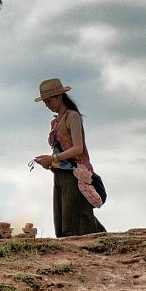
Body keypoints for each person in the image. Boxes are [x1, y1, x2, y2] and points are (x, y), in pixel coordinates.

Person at [32, 78, 105, 237]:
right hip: (60, 174)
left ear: (59, 96)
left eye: (49, 100)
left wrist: (52, 159)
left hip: (75, 173)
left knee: (75, 218)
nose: (47, 104)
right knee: (62, 218)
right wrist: (49, 162)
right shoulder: (56, 122)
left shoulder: (72, 117)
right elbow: (60, 150)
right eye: (45, 101)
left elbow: (78, 148)